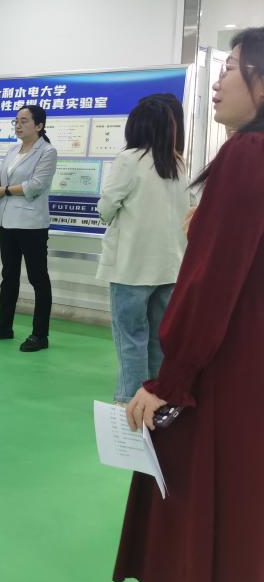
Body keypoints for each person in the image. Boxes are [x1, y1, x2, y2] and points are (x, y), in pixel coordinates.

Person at [114, 27, 264, 582]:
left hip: (225, 370)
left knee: (197, 498)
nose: (219, 80)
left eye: (233, 67)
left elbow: (211, 285)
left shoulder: (247, 155)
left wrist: (169, 381)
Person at [96, 97, 188, 403]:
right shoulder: (176, 163)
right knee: (158, 339)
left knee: (130, 338)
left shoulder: (129, 159)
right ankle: (156, 398)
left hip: (131, 267)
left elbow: (106, 208)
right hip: (170, 267)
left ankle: (129, 400)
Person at [0, 105, 58, 352]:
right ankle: (4, 326)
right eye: (16, 120)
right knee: (9, 276)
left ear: (39, 126)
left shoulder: (47, 152)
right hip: (7, 222)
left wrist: (5, 191)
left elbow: (36, 185)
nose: (18, 125)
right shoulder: (13, 150)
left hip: (31, 225)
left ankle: (40, 335)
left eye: (24, 121)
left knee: (38, 278)